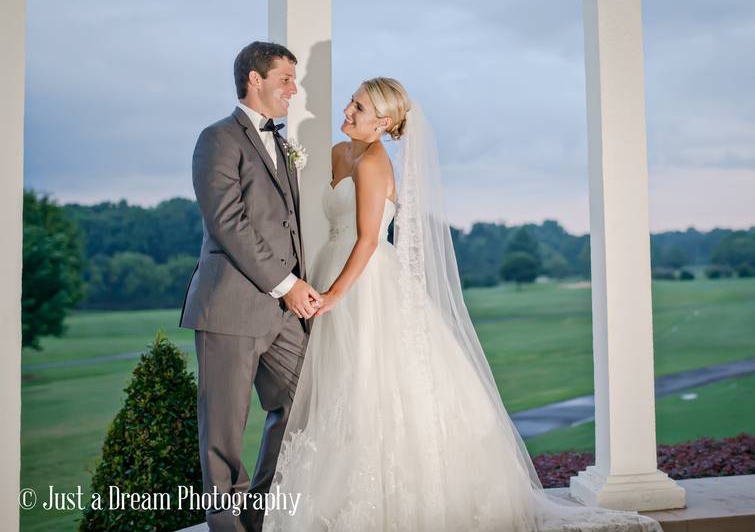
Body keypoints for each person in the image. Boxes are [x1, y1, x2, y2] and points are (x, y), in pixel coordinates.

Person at [263, 77, 661, 531]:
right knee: (337, 387)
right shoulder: (339, 152)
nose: (348, 111)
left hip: (364, 285)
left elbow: (370, 240)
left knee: (371, 385)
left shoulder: (375, 162)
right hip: (330, 267)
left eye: (359, 108)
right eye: (352, 102)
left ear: (384, 122)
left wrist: (336, 293)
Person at [180, 41, 323, 532]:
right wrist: (286, 284)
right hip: (229, 308)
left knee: (306, 398)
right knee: (222, 430)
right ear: (254, 79)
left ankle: (260, 514)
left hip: (283, 312)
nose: (293, 88)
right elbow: (228, 222)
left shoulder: (283, 144)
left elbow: (287, 224)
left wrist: (299, 286)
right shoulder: (216, 139)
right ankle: (226, 527)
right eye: (285, 78)